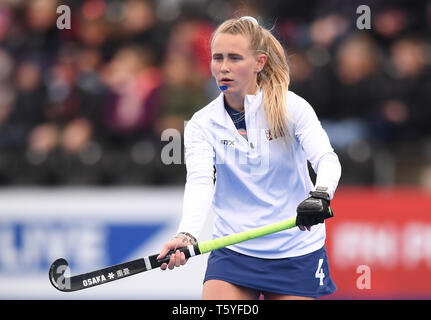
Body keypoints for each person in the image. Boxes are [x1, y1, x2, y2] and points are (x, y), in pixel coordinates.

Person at [157, 16, 341, 300]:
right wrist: (187, 235)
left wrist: (321, 195)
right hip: (235, 252)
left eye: (234, 58)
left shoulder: (293, 107)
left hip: (296, 250)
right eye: (217, 58)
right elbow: (200, 182)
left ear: (259, 62)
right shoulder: (201, 123)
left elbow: (327, 160)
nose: (224, 67)